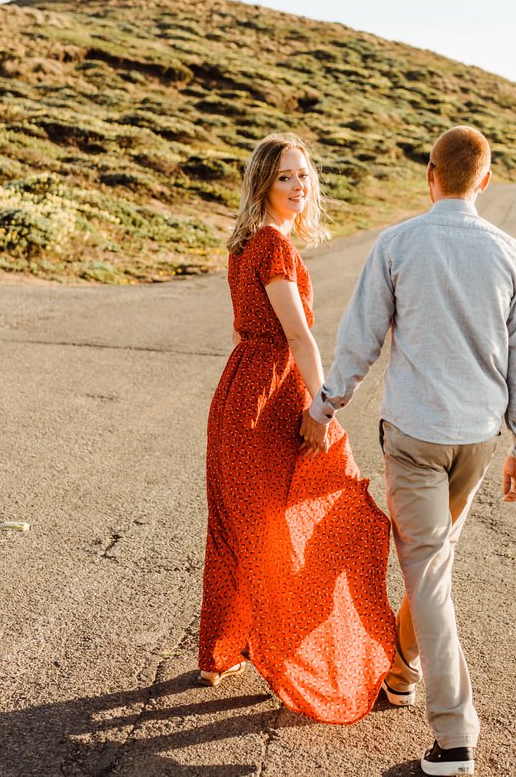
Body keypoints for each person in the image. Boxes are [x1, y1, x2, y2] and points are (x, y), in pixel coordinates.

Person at [312, 125, 516, 776]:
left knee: (429, 573)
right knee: (432, 564)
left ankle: (453, 737)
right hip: (478, 439)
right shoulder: (511, 253)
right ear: (486, 181)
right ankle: (404, 670)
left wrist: (323, 406)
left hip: (413, 437)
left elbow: (358, 339)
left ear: (429, 174)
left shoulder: (398, 243)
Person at [197, 132, 396, 724]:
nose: (299, 186)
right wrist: (324, 405)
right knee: (321, 509)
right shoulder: (274, 248)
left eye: (304, 175)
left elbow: (243, 331)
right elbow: (298, 335)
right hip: (271, 395)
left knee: (240, 521)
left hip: (239, 388)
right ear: (263, 183)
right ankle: (294, 649)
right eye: (286, 176)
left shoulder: (243, 245)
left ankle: (220, 652)